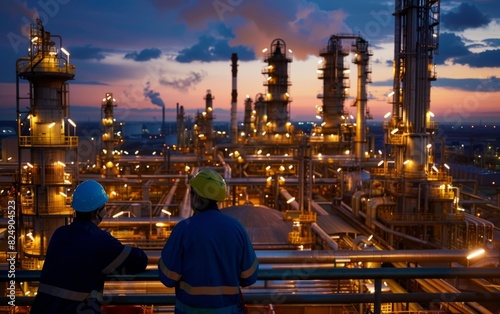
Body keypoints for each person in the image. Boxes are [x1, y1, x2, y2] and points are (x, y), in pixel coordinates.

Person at [30, 180, 148, 314]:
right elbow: (140, 260)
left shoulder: (59, 234)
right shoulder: (100, 241)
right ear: (97, 212)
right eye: (104, 207)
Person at [158, 169, 258, 313]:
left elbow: (168, 277)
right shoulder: (237, 228)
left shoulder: (183, 229)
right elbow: (249, 276)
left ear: (197, 197)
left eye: (192, 193)